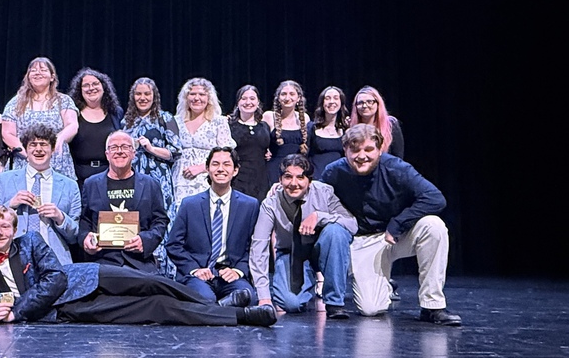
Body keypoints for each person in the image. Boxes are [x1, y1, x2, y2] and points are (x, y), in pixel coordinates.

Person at [0, 206, 277, 327]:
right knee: (156, 307)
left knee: (153, 282)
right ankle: (237, 315)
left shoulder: (30, 241)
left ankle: (211, 304)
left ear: (14, 228)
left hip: (84, 277)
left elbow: (56, 277)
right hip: (69, 310)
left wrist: (18, 311)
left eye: (5, 227)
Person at [321, 124, 461, 325]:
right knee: (371, 309)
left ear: (379, 150)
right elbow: (314, 196)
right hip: (363, 241)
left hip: (395, 236)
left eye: (369, 149)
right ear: (346, 151)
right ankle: (382, 284)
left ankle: (433, 306)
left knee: (434, 226)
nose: (362, 156)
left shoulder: (397, 168)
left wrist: (397, 224)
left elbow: (435, 198)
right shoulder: (333, 172)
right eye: (355, 150)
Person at [249, 154, 357, 318]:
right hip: (291, 253)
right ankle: (306, 284)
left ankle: (335, 303)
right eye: (288, 177)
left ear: (309, 180)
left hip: (322, 250)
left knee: (336, 231)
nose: (294, 183)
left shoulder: (324, 192)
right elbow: (259, 247)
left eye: (300, 177)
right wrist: (264, 297)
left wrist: (319, 217)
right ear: (280, 179)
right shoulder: (270, 204)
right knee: (290, 304)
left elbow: (352, 224)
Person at [167, 147, 258, 308]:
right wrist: (195, 269)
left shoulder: (249, 205)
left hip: (230, 274)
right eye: (215, 164)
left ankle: (217, 310)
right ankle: (220, 308)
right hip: (199, 275)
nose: (221, 169)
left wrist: (238, 271)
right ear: (207, 169)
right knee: (204, 299)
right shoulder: (190, 204)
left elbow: (253, 247)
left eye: (226, 164)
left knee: (248, 297)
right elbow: (174, 245)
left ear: (235, 170)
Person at [0, 123, 80, 267]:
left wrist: (60, 217)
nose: (38, 149)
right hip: (12, 257)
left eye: (43, 144)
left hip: (54, 260)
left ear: (53, 149)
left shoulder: (69, 185)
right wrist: (11, 204)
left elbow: (74, 235)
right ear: (26, 149)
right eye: (33, 144)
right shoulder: (5, 180)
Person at [80, 131, 169, 273]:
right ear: (107, 154)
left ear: (134, 153)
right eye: (114, 147)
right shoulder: (91, 184)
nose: (119, 151)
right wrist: (85, 238)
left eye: (125, 147)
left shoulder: (150, 184)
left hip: (139, 263)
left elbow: (160, 220)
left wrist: (145, 240)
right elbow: (84, 220)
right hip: (102, 262)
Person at [121, 77, 182, 277]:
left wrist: (151, 148)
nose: (142, 97)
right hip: (133, 179)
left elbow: (175, 152)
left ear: (154, 95)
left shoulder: (165, 118)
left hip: (159, 181)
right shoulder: (126, 120)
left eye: (147, 93)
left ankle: (166, 275)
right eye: (138, 94)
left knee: (161, 223)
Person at [1, 57, 78, 179]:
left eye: (43, 69)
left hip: (56, 161)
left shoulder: (63, 101)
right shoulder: (16, 102)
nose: (38, 73)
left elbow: (72, 125)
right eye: (33, 70)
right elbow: (7, 133)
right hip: (24, 162)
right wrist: (29, 154)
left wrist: (59, 139)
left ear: (52, 77)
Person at [172, 77, 235, 211]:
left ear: (209, 98)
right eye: (192, 94)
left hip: (206, 179)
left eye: (201, 94)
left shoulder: (219, 122)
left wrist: (202, 168)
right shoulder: (175, 121)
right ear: (186, 97)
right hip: (179, 181)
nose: (197, 98)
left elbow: (226, 154)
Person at [66, 68, 124, 190]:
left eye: (95, 84)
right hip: (79, 179)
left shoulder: (115, 113)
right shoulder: (72, 114)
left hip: (109, 177)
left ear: (104, 87)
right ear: (80, 91)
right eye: (86, 85)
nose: (91, 88)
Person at [228, 84, 271, 201]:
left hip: (260, 179)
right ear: (238, 103)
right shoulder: (229, 126)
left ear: (258, 103)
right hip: (238, 179)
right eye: (244, 98)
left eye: (252, 98)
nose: (248, 102)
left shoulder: (264, 126)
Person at [262, 79, 309, 186]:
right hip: (275, 169)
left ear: (298, 98)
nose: (287, 98)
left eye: (292, 94)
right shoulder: (269, 116)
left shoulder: (305, 118)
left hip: (298, 170)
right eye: (283, 94)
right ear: (278, 98)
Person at [351, 85, 404, 159]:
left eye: (369, 102)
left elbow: (398, 157)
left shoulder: (391, 124)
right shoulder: (351, 128)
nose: (365, 105)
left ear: (378, 103)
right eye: (360, 103)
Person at [307, 85, 348, 180]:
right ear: (322, 103)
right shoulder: (311, 128)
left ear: (341, 102)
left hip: (339, 180)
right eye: (327, 98)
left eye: (336, 98)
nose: (331, 102)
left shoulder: (346, 130)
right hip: (316, 180)